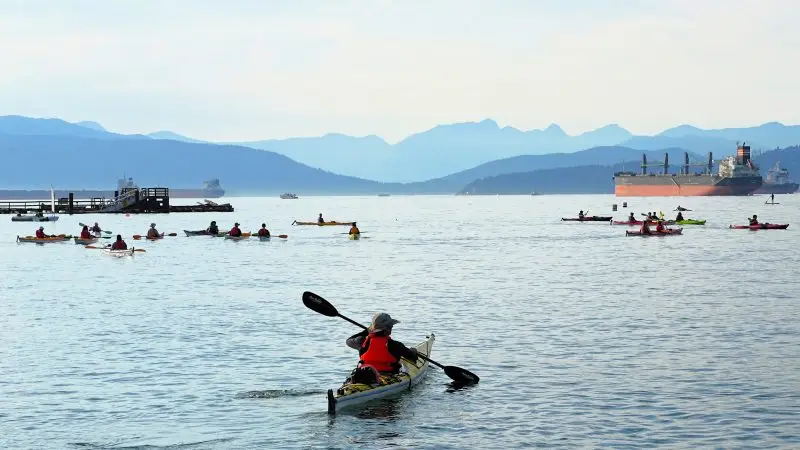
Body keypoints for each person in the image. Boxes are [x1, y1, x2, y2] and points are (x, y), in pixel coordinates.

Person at [345, 313, 419, 383]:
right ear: (387, 329)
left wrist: (367, 331)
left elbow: (348, 341)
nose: (392, 328)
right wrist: (413, 351)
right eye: (391, 326)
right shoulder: (395, 345)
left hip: (364, 375)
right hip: (389, 377)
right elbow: (412, 357)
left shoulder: (361, 341)